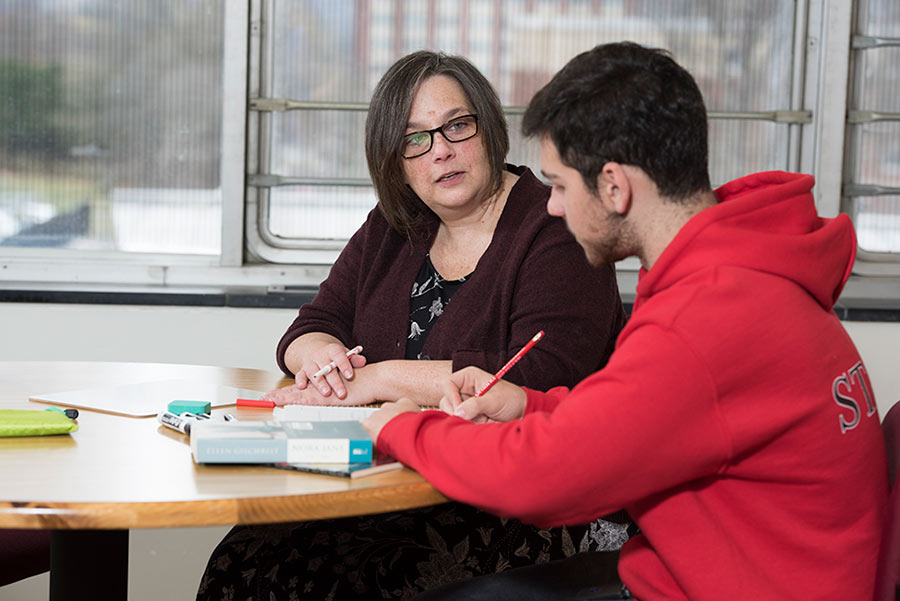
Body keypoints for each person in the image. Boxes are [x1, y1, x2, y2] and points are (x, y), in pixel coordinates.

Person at [362, 42, 889, 601]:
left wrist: (398, 428)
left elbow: (545, 480)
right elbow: (653, 412)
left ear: (614, 186)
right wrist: (527, 403)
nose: (554, 207)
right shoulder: (748, 277)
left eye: (560, 185)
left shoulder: (705, 320)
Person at [196, 50, 627, 600]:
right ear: (394, 159)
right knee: (242, 558)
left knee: (333, 578)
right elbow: (311, 325)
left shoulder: (555, 224)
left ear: (488, 129)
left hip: (515, 500)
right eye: (413, 138)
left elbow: (540, 376)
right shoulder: (393, 225)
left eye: (457, 126)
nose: (440, 150)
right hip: (389, 481)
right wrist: (323, 360)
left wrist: (378, 379)